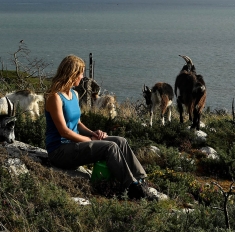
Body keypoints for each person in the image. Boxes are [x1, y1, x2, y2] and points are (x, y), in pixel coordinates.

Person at [45, 54, 157, 201]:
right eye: (81, 73)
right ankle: (132, 188)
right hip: (60, 152)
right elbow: (64, 132)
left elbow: (77, 123)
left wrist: (94, 133)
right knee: (109, 147)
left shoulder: (73, 94)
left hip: (75, 145)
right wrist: (88, 140)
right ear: (72, 74)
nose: (82, 77)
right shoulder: (55, 98)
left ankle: (141, 180)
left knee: (120, 141)